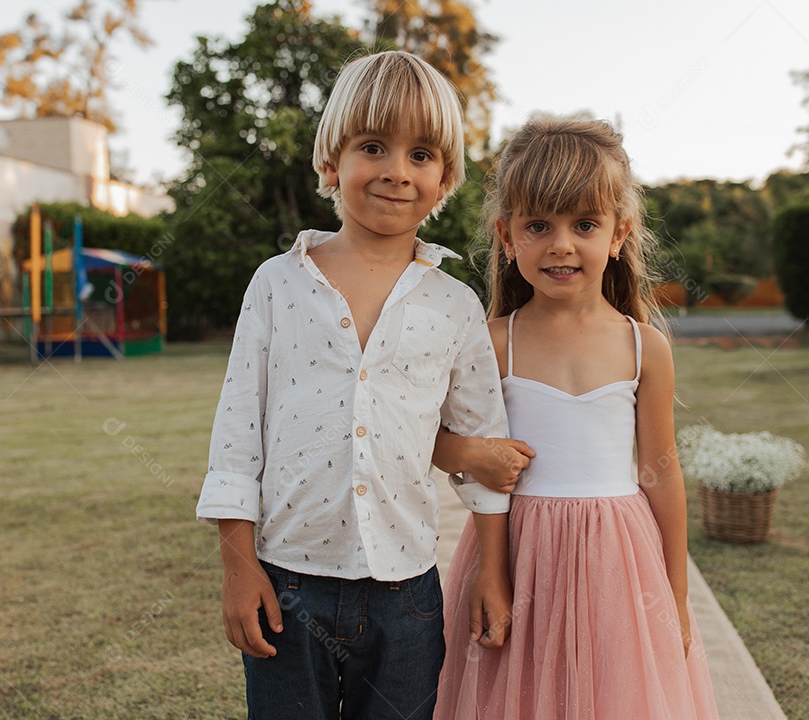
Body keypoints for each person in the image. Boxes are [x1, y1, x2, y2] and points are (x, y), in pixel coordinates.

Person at [195, 50, 521, 720]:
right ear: (331, 161)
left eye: (423, 154)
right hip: (287, 585)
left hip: (408, 594)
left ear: (446, 176)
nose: (398, 171)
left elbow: (483, 449)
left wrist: (493, 570)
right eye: (374, 146)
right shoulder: (277, 285)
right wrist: (237, 565)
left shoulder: (456, 306)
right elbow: (237, 437)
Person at [432, 115, 719, 719]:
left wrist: (678, 594)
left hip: (619, 561)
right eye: (539, 225)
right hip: (516, 553)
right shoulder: (490, 341)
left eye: (584, 224)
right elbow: (436, 437)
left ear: (619, 233)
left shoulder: (645, 348)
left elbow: (661, 474)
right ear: (507, 237)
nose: (561, 243)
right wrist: (461, 458)